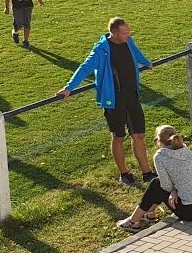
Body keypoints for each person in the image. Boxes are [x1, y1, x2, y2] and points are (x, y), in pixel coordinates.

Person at [58, 17, 155, 186]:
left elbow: (135, 52)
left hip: (132, 96)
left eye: (128, 31)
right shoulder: (101, 50)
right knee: (118, 137)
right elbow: (84, 68)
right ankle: (124, 174)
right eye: (125, 32)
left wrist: (146, 62)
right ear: (114, 33)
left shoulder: (128, 41)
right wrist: (69, 87)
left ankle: (147, 173)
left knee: (139, 135)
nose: (128, 34)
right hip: (114, 100)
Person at [117, 125, 192, 232]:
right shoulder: (185, 148)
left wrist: (173, 191)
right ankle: (149, 214)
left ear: (158, 141)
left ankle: (133, 221)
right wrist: (174, 190)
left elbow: (166, 186)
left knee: (155, 184)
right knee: (158, 184)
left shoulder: (160, 156)